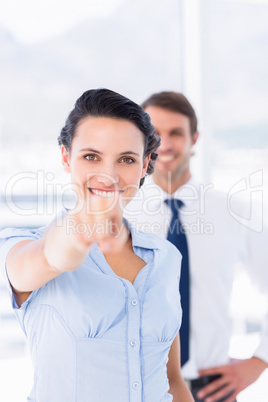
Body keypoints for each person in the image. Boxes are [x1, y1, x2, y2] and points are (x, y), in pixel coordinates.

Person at [0, 89, 194, 402]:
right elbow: (49, 258)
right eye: (91, 156)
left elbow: (172, 381)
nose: (108, 175)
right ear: (66, 156)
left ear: (145, 165)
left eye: (127, 159)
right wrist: (79, 231)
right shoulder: (21, 247)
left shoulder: (166, 257)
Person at [124, 91, 268, 401]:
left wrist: (259, 361)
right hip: (137, 386)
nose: (166, 143)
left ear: (195, 138)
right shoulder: (120, 215)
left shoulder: (236, 212)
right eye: (155, 134)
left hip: (213, 387)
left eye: (176, 132)